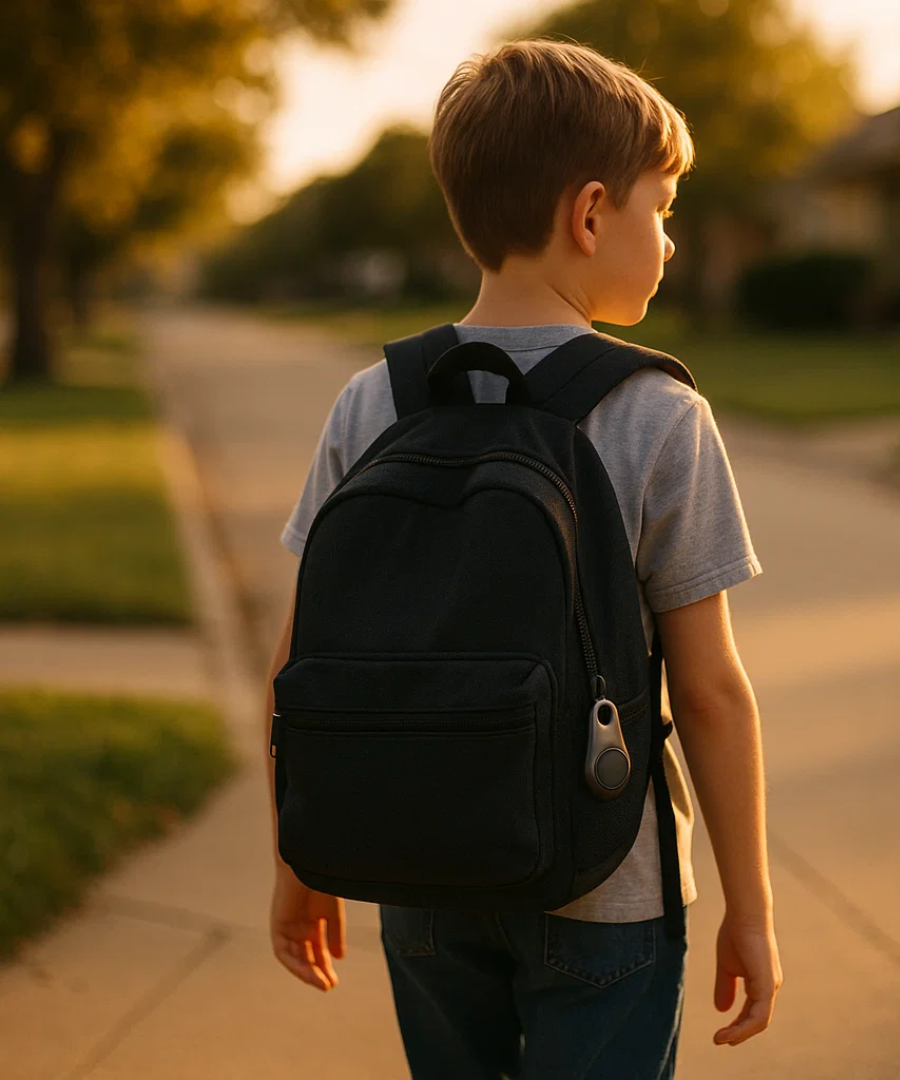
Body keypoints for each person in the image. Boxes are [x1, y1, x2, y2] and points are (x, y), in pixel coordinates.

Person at [265, 38, 782, 1080]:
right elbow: (713, 694)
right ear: (591, 215)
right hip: (608, 891)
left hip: (417, 877)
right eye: (663, 208)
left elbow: (298, 666)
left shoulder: (374, 401)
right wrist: (752, 908)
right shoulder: (658, 417)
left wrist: (299, 859)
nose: (671, 242)